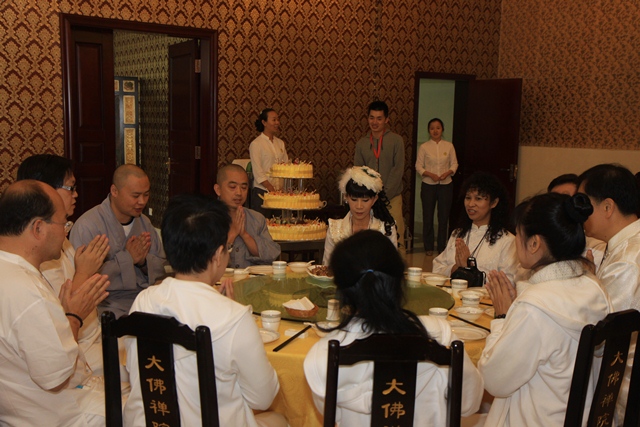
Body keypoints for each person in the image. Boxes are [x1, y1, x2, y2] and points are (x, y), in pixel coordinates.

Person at [124, 193, 286, 427]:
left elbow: (136, 371)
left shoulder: (143, 301)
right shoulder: (234, 318)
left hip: (151, 422)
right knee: (280, 420)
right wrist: (230, 311)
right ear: (218, 255)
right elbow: (262, 398)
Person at [305, 230, 483, 426]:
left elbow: (332, 415)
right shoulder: (440, 335)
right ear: (399, 280)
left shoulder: (324, 354)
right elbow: (469, 404)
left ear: (341, 290)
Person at [478, 192, 612, 427]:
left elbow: (494, 380)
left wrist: (503, 316)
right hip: (579, 416)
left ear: (534, 243)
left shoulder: (535, 306)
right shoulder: (595, 288)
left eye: (518, 235)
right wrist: (518, 308)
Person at [0, 180, 110, 426]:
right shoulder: (25, 289)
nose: (66, 232)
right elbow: (56, 375)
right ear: (38, 228)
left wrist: (60, 314)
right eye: (64, 224)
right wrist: (74, 317)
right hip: (58, 415)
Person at [16, 154, 110, 373]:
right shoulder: (38, 247)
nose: (76, 194)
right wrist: (83, 273)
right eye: (70, 188)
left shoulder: (60, 233)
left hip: (92, 337)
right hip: (75, 351)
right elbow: (60, 315)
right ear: (46, 191)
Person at [578, 163, 640, 425]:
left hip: (624, 381)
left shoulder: (628, 259)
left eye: (584, 204)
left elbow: (603, 334)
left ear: (607, 207)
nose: (580, 214)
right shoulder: (623, 244)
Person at [70, 164, 166, 318]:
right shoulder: (88, 226)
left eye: (146, 195)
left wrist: (143, 263)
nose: (142, 201)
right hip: (104, 304)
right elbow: (83, 277)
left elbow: (161, 268)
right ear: (114, 191)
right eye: (135, 196)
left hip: (144, 299)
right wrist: (128, 258)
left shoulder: (145, 223)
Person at [432, 172, 518, 283]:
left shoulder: (507, 240)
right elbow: (437, 267)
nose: (471, 204)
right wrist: (456, 268)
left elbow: (508, 282)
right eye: (468, 198)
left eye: (478, 198)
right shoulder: (458, 234)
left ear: (494, 203)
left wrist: (469, 269)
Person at [354, 100, 405, 254]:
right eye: (371, 118)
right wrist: (369, 196)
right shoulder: (361, 143)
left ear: (386, 120)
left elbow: (398, 169)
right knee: (369, 237)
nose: (374, 122)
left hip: (392, 199)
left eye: (379, 118)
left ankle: (397, 267)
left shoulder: (396, 141)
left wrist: (384, 195)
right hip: (368, 200)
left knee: (396, 238)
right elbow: (358, 172)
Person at [323, 165, 397, 264]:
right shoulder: (334, 229)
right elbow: (327, 266)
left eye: (365, 200)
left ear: (374, 199)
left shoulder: (386, 228)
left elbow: (392, 266)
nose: (359, 206)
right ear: (346, 197)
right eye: (354, 199)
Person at [214, 164, 280, 268]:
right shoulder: (205, 219)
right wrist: (232, 235)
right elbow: (203, 261)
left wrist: (245, 235)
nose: (239, 193)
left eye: (244, 188)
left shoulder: (257, 219)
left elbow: (271, 256)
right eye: (232, 187)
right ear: (218, 189)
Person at [415, 118, 458, 254]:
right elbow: (418, 166)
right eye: (432, 128)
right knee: (428, 217)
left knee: (443, 217)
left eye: (438, 128)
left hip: (446, 185)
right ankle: (428, 247)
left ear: (442, 129)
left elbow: (454, 164)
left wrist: (448, 173)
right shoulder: (424, 147)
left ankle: (441, 247)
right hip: (428, 185)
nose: (435, 131)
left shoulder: (449, 146)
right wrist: (430, 174)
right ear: (429, 131)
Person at [547, 172, 605, 271]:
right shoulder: (542, 242)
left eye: (567, 199)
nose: (561, 207)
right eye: (554, 202)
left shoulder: (597, 247)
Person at [249, 108, 289, 216]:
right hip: (262, 192)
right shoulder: (256, 144)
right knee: (262, 223)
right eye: (274, 120)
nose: (277, 123)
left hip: (279, 193)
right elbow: (258, 172)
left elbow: (285, 166)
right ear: (264, 122)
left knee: (279, 223)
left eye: (278, 119)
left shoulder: (280, 143)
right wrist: (271, 189)